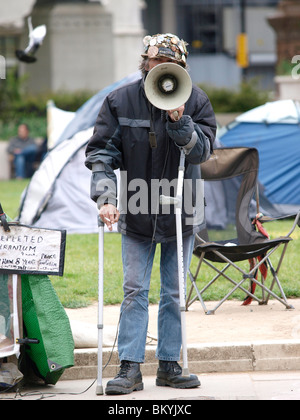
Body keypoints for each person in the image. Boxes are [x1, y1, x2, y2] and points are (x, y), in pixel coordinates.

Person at [85, 33, 217, 395]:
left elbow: (201, 153)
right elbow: (101, 155)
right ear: (145, 64)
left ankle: (170, 365)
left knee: (174, 292)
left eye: (172, 66)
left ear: (182, 69)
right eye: (157, 64)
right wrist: (106, 198)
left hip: (181, 208)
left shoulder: (197, 100)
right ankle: (129, 367)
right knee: (134, 290)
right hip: (139, 208)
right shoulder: (120, 101)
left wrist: (180, 122)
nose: (163, 71)